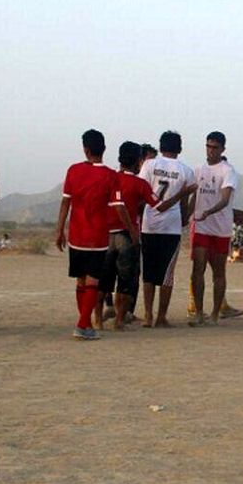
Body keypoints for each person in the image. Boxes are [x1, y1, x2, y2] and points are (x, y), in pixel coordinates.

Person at [104, 141, 190, 330]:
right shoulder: (183, 171)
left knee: (140, 276)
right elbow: (160, 204)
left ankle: (143, 316)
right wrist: (183, 197)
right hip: (160, 229)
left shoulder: (116, 176)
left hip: (130, 230)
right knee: (157, 276)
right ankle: (155, 317)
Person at [55, 129, 117, 339]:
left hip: (76, 235)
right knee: (93, 281)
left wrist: (59, 229)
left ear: (85, 149)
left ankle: (85, 321)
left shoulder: (73, 170)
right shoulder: (110, 175)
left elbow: (66, 202)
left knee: (81, 281)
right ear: (104, 149)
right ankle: (83, 324)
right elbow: (117, 206)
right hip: (98, 236)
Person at [138, 131, 196, 328]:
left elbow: (142, 191)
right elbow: (184, 204)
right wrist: (184, 218)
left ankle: (147, 314)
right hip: (171, 227)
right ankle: (161, 316)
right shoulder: (186, 171)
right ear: (179, 148)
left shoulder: (149, 164)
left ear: (161, 146)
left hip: (149, 225)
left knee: (148, 272)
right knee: (166, 275)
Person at [187, 131, 241, 326]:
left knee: (218, 272)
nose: (210, 151)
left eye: (215, 147)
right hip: (201, 227)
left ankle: (216, 313)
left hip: (220, 228)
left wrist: (209, 211)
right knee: (197, 269)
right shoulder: (198, 170)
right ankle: (199, 312)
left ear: (222, 149)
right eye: (208, 146)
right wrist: (187, 215)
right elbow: (194, 196)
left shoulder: (227, 171)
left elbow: (225, 199)